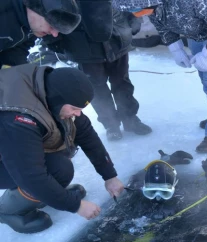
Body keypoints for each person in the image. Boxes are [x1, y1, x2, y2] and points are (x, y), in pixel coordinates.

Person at [0, 64, 124, 234]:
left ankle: (47, 194)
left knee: (62, 147)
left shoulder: (51, 91)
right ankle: (8, 210)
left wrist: (110, 175)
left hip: (14, 145)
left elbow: (87, 136)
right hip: (6, 152)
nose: (78, 113)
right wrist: (75, 205)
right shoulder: (18, 118)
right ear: (58, 99)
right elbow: (30, 175)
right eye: (74, 108)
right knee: (57, 168)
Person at [112, 0, 207, 153]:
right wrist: (176, 49)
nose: (136, 13)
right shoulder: (152, 6)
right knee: (206, 79)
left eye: (138, 10)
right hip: (195, 34)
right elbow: (162, 24)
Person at [44, 2, 153, 140]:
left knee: (122, 82)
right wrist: (54, 41)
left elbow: (126, 3)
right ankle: (111, 125)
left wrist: (133, 20)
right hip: (83, 47)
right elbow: (49, 10)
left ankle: (130, 118)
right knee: (97, 88)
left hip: (117, 39)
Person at [0, 0, 81, 68]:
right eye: (52, 26)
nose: (54, 34)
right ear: (36, 10)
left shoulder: (32, 26)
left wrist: (25, 75)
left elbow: (16, 52)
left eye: (58, 30)